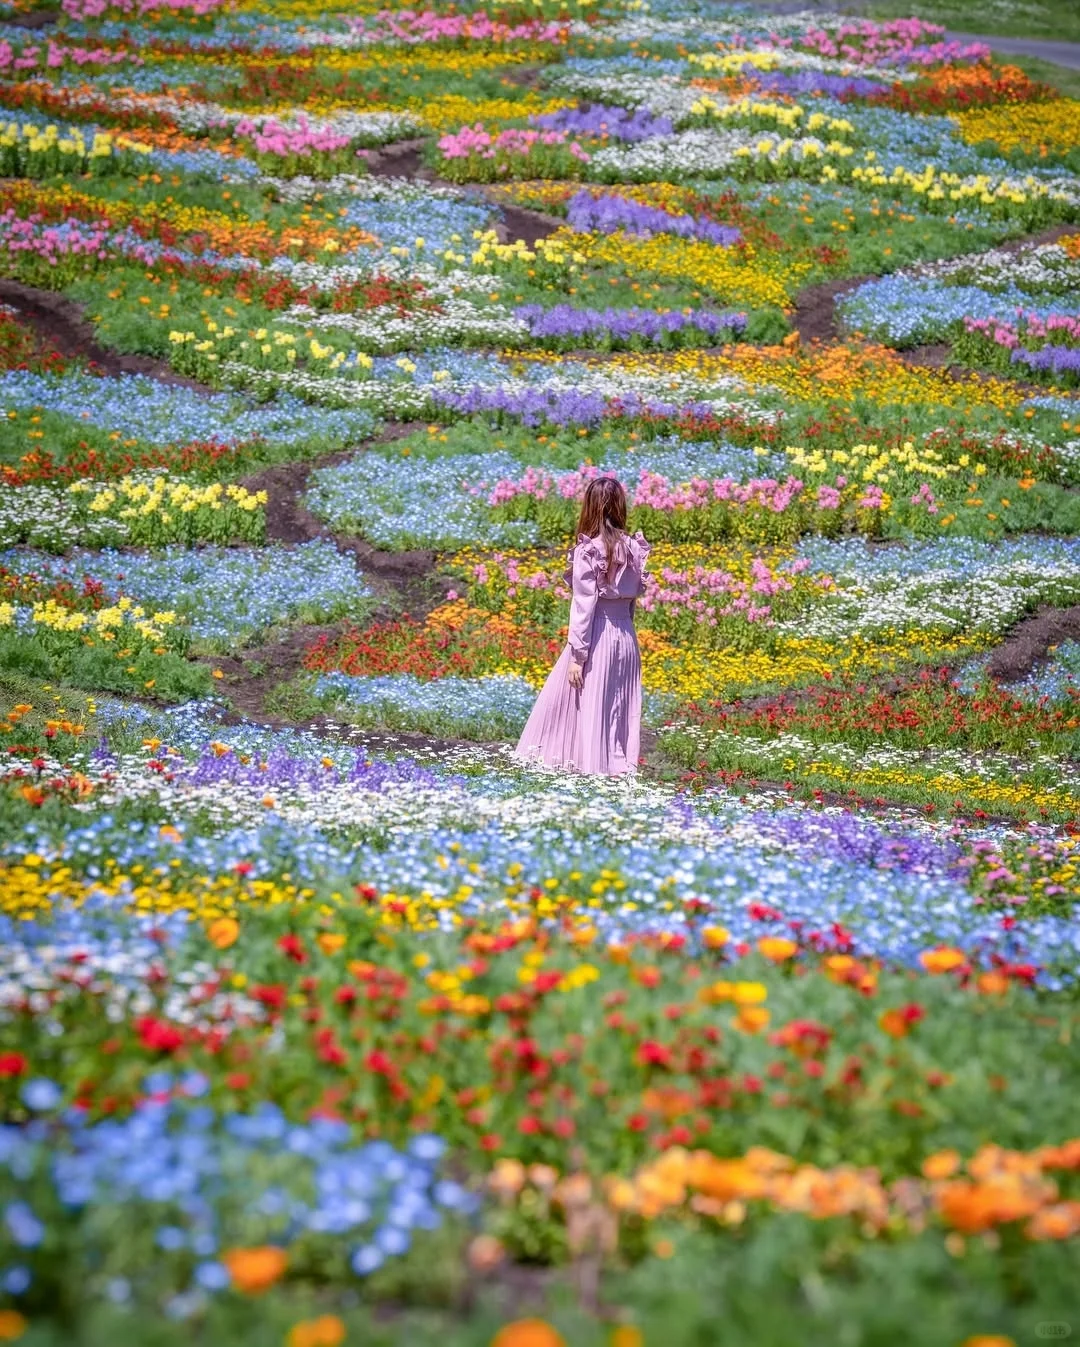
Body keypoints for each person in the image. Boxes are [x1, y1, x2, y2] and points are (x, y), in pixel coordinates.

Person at [514, 475, 649, 776]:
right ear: (620, 507)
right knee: (617, 703)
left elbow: (584, 606)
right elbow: (632, 602)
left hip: (598, 632)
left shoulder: (589, 550)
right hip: (626, 634)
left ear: (589, 507)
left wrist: (578, 655)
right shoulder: (632, 548)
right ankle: (617, 766)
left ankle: (588, 768)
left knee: (582, 701)